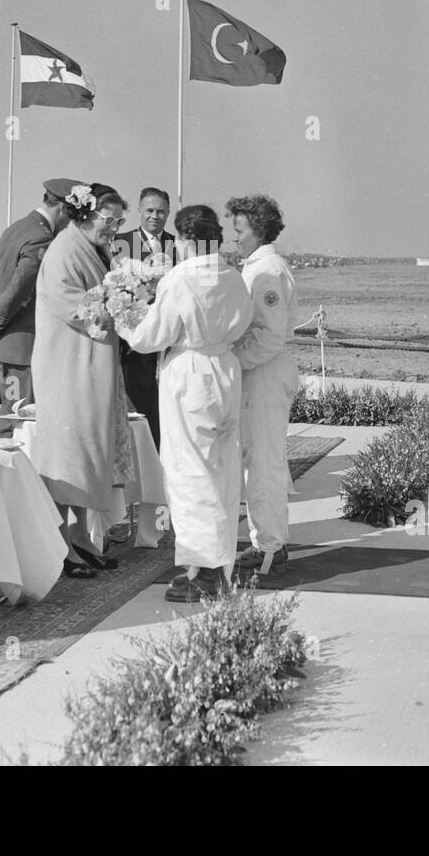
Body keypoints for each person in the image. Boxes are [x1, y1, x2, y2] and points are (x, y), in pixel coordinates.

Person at [120, 205, 252, 602]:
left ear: (186, 240)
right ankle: (216, 565)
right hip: (226, 369)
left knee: (190, 472)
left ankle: (205, 573)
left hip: (190, 373)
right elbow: (245, 320)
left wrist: (125, 319)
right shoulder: (232, 275)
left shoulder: (181, 277)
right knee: (223, 471)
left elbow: (151, 337)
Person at [30, 183, 134, 578]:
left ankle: (79, 537)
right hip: (66, 367)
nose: (114, 229)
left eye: (119, 222)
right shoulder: (63, 251)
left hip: (90, 365)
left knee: (86, 455)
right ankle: (59, 546)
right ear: (88, 214)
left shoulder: (92, 247)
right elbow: (70, 305)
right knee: (66, 456)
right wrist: (121, 305)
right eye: (110, 220)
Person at [227, 194, 299, 578]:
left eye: (238, 230)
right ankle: (268, 540)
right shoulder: (260, 266)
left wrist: (231, 362)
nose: (234, 237)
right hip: (262, 372)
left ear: (257, 230)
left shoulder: (267, 270)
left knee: (265, 463)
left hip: (265, 374)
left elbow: (270, 337)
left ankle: (270, 547)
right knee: (260, 459)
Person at [0, 179, 78, 414]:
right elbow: (18, 289)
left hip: (8, 346)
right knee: (21, 419)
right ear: (63, 209)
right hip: (25, 347)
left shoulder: (14, 228)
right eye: (71, 216)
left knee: (10, 413)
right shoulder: (41, 237)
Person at [114, 187, 177, 448]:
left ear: (168, 213)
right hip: (134, 341)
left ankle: (163, 457)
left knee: (165, 405)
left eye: (161, 211)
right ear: (139, 210)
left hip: (168, 339)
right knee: (138, 404)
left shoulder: (179, 245)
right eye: (149, 210)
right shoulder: (119, 243)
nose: (155, 216)